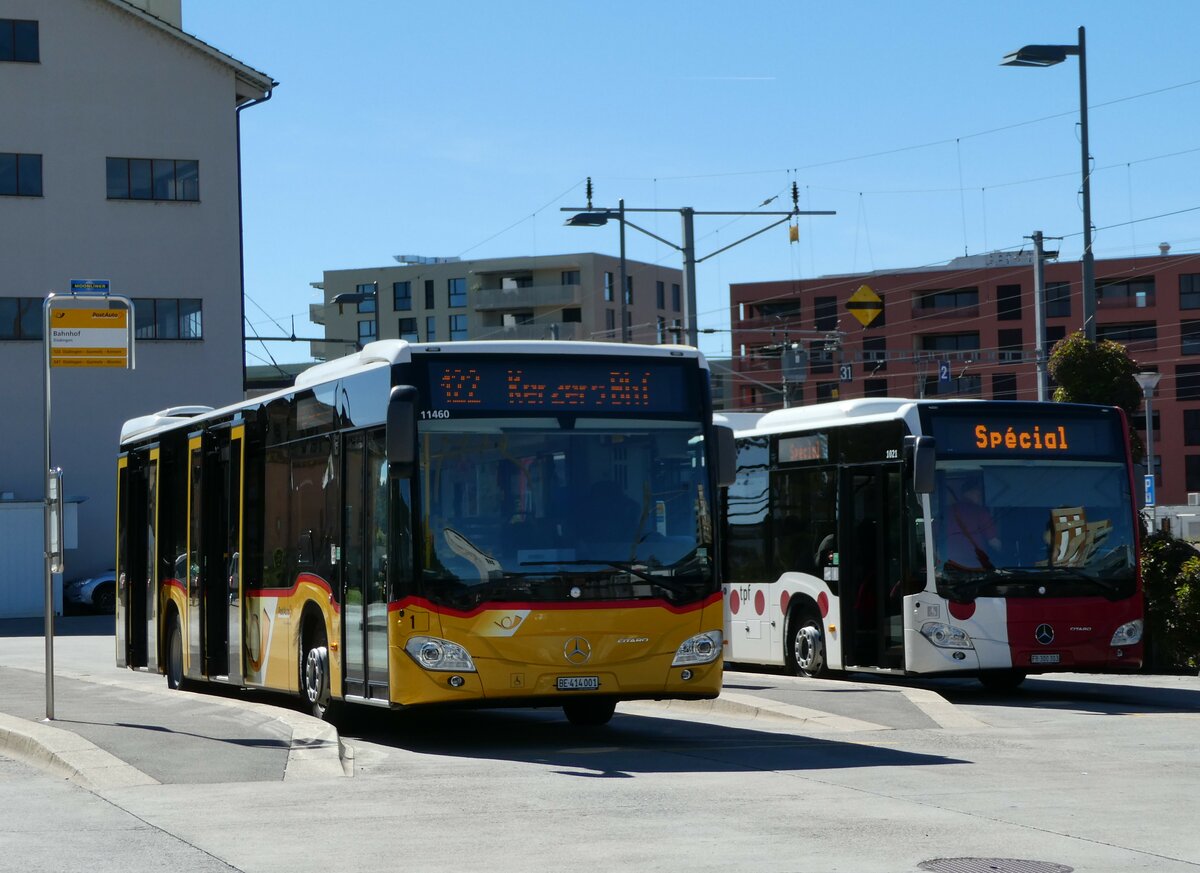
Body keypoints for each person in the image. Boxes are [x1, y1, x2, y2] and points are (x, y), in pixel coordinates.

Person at [944, 481, 1002, 570]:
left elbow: (931, 537)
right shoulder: (980, 512)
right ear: (971, 493)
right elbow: (993, 542)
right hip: (975, 565)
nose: (980, 498)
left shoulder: (946, 512)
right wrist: (1006, 552)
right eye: (978, 494)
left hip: (951, 565)